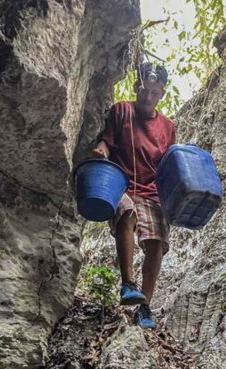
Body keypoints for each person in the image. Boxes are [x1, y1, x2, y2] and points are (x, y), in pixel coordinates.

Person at [92, 62, 176, 329]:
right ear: (136, 87)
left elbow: (170, 164)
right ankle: (128, 284)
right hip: (120, 184)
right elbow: (107, 140)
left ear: (161, 94)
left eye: (154, 92)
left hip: (152, 191)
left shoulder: (167, 127)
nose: (148, 96)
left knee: (156, 242)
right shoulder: (122, 111)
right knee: (125, 212)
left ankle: (145, 307)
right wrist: (101, 149)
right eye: (144, 89)